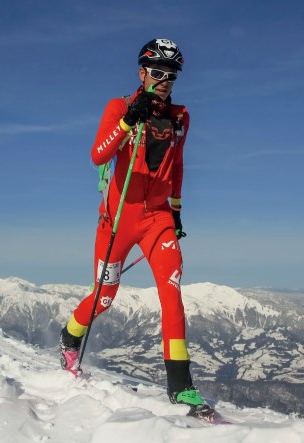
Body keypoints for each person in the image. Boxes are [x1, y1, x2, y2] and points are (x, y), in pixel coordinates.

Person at [59, 39, 218, 420]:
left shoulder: (181, 117)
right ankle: (70, 337)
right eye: (158, 73)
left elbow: (177, 166)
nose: (165, 80)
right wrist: (130, 119)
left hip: (158, 217)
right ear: (142, 73)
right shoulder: (120, 107)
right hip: (117, 219)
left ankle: (181, 387)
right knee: (104, 297)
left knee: (172, 291)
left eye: (172, 74)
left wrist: (176, 211)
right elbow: (99, 154)